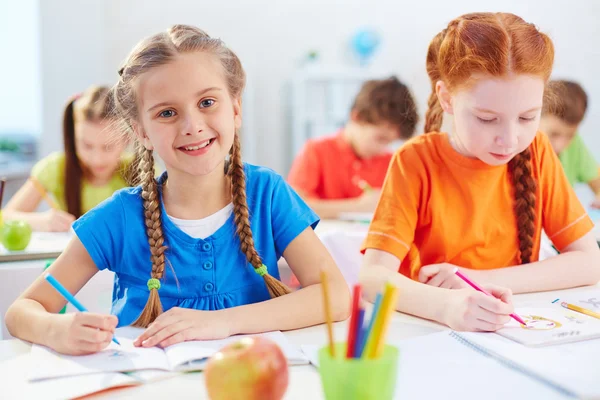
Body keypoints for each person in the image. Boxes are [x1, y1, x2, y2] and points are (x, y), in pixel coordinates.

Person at [6, 25, 350, 355]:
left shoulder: (267, 194)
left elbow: (335, 295)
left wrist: (222, 322)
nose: (192, 126)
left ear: (235, 108)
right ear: (141, 131)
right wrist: (56, 330)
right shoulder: (120, 217)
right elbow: (22, 311)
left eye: (207, 103)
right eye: (167, 113)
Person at [359, 12, 600, 332]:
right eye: (487, 119)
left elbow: (589, 262)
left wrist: (475, 281)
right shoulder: (415, 161)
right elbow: (372, 278)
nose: (510, 139)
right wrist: (445, 305)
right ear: (447, 98)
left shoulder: (537, 151)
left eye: (528, 117)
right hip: (432, 334)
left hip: (513, 329)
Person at [288, 77, 418, 219]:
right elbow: (293, 210)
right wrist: (358, 207)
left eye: (390, 142)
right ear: (357, 116)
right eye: (380, 139)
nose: (382, 149)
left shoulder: (391, 162)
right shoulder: (315, 151)